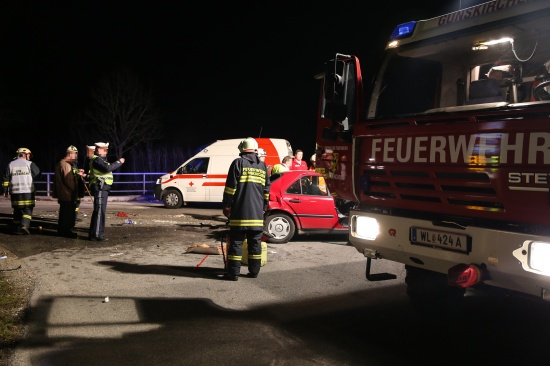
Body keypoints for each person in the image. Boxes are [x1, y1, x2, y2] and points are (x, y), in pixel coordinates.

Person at [221, 137, 270, 281]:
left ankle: (233, 273)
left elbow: (230, 188)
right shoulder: (262, 166)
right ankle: (254, 272)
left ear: (242, 148)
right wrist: (264, 208)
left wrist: (226, 205)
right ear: (255, 149)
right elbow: (266, 190)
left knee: (236, 243)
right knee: (255, 244)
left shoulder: (238, 163)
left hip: (239, 214)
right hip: (257, 215)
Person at [88, 142, 125, 241]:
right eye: (104, 150)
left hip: (103, 188)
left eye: (106, 150)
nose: (106, 152)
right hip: (100, 188)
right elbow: (107, 169)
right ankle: (97, 235)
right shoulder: (97, 160)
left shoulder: (101, 160)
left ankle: (94, 233)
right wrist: (119, 162)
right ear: (98, 150)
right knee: (100, 212)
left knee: (99, 211)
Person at [2, 147, 41, 235]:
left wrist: (5, 190)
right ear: (26, 155)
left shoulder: (10, 164)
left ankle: (16, 227)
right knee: (27, 209)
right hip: (28, 191)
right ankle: (24, 226)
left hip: (15, 193)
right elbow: (38, 174)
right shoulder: (30, 164)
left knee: (17, 210)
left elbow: (5, 178)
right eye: (29, 155)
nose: (29, 157)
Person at [54, 145, 86, 238]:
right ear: (70, 154)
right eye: (75, 154)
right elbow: (69, 181)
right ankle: (66, 232)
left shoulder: (61, 164)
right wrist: (76, 190)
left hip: (63, 195)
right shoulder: (66, 165)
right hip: (68, 195)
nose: (76, 156)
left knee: (63, 214)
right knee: (68, 215)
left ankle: (62, 230)